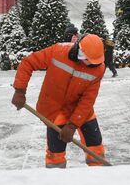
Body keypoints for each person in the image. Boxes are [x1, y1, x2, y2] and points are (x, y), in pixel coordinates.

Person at [11, 34, 107, 168]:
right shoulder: (58, 52)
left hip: (81, 109)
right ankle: (55, 179)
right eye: (88, 60)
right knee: (56, 153)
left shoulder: (99, 68)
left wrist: (73, 125)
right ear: (79, 51)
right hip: (54, 110)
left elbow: (88, 99)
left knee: (95, 144)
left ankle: (100, 174)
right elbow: (28, 62)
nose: (91, 64)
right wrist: (20, 90)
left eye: (94, 61)